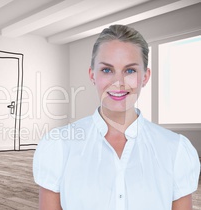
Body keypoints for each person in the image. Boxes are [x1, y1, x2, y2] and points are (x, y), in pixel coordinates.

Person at [33, 24, 200, 210]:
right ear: (92, 75)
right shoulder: (59, 145)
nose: (118, 83)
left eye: (130, 71)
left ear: (145, 77)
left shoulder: (175, 150)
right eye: (107, 70)